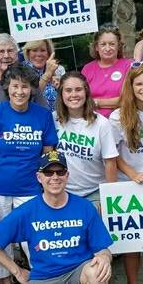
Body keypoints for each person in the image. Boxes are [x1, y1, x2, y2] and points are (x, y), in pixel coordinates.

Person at [0, 63, 59, 284]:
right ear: (7, 87)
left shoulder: (43, 116)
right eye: (15, 86)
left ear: (32, 89)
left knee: (37, 242)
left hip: (31, 190)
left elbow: (48, 158)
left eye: (24, 87)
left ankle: (42, 279)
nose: (19, 92)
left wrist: (48, 191)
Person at [0, 152, 113, 284]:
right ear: (39, 177)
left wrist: (105, 257)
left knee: (97, 271)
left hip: (78, 271)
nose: (55, 177)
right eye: (48, 172)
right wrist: (17, 271)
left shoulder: (85, 207)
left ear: (67, 176)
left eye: (60, 172)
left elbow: (102, 248)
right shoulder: (28, 211)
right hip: (44, 277)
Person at [109, 65, 143, 284]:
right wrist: (133, 174)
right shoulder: (118, 116)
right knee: (132, 245)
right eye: (139, 84)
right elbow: (112, 154)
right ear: (131, 88)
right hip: (128, 185)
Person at [53, 72, 120, 205]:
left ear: (86, 92)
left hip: (94, 193)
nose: (73, 95)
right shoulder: (52, 119)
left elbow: (110, 162)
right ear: (61, 94)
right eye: (68, 90)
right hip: (61, 192)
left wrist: (110, 198)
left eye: (78, 89)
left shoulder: (101, 123)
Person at [81, 26, 133, 118]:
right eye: (103, 44)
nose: (108, 48)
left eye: (112, 44)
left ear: (119, 46)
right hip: (92, 120)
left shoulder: (128, 66)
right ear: (96, 47)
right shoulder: (87, 68)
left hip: (122, 119)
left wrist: (95, 102)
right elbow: (81, 98)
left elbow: (128, 98)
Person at [22, 39, 64, 112]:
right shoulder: (21, 71)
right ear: (28, 53)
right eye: (34, 50)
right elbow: (30, 96)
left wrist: (61, 87)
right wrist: (47, 74)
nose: (39, 54)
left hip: (57, 119)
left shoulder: (57, 70)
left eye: (43, 50)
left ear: (49, 53)